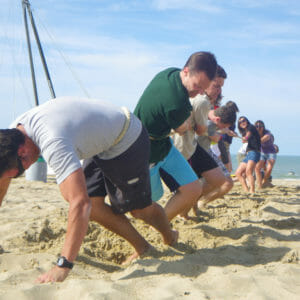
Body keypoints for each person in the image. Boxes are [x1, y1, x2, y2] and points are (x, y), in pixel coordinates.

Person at [0, 97, 177, 283]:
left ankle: (170, 236)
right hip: (98, 142)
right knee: (94, 204)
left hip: (126, 136)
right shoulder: (14, 133)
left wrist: (63, 265)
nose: (27, 168)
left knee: (139, 209)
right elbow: (3, 183)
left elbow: (80, 203)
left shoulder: (52, 140)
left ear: (22, 152)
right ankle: (144, 248)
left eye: (23, 167)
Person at [134, 51, 218, 221]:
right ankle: (157, 221)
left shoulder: (169, 72)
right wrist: (188, 124)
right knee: (151, 198)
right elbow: (181, 128)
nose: (199, 93)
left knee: (193, 189)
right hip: (144, 150)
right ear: (186, 71)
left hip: (164, 144)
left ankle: (160, 224)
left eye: (203, 89)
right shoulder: (177, 103)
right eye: (197, 86)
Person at [169, 66, 235, 217]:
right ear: (206, 82)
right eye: (216, 86)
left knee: (207, 184)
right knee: (191, 189)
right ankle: (176, 215)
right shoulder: (201, 101)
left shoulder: (202, 101)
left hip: (192, 147)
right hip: (187, 148)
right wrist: (215, 129)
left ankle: (188, 210)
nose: (219, 90)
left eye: (221, 87)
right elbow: (200, 129)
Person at [235, 116, 261, 193]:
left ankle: (252, 191)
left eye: (243, 120)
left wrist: (238, 136)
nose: (242, 122)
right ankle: (246, 190)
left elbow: (246, 138)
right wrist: (237, 135)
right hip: (248, 153)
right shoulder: (245, 131)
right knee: (238, 173)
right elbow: (245, 140)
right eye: (240, 122)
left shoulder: (251, 127)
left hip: (254, 152)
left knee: (248, 172)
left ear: (247, 121)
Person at [254, 120, 277, 188]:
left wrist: (251, 140)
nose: (258, 128)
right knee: (257, 168)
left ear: (263, 127)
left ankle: (265, 181)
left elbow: (263, 140)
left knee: (269, 167)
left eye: (260, 126)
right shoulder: (254, 134)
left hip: (271, 152)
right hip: (262, 152)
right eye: (256, 126)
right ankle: (259, 185)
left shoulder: (267, 133)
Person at [220, 101, 240, 173]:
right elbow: (226, 130)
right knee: (226, 163)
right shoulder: (226, 116)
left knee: (227, 164)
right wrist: (232, 133)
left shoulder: (232, 117)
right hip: (223, 140)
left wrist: (234, 133)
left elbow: (230, 130)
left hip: (227, 142)